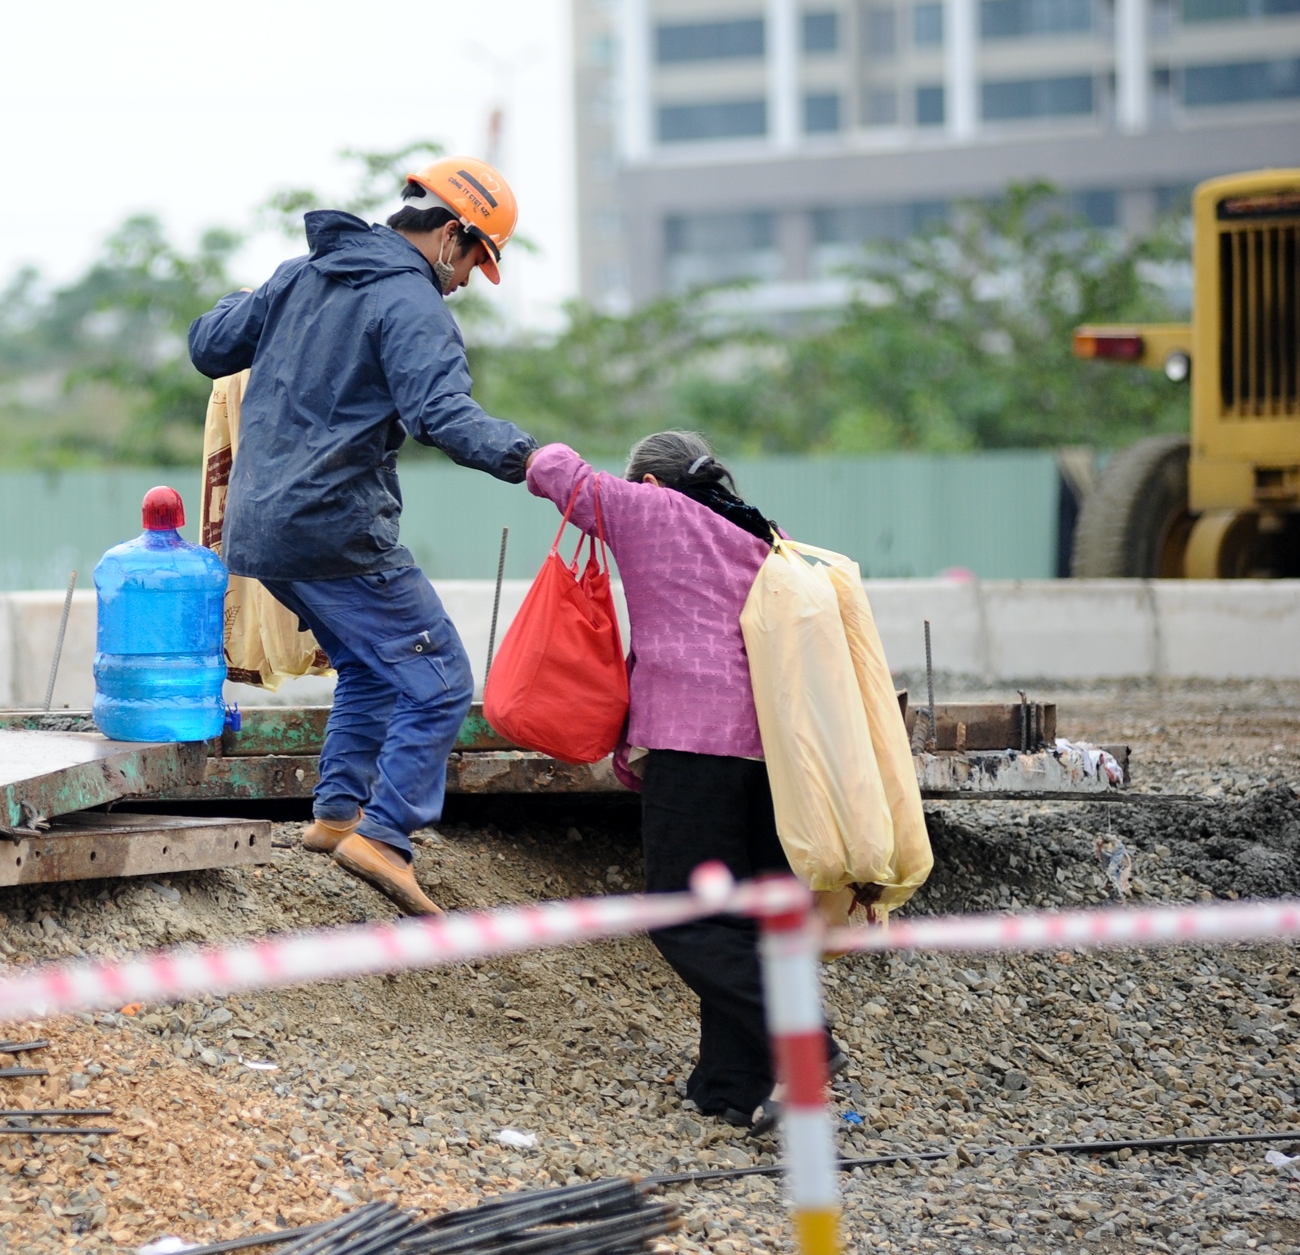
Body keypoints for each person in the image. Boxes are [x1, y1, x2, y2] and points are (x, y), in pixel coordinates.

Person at [187, 157, 536, 917]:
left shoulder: (299, 275)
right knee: (440, 676)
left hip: (261, 529)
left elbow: (211, 346)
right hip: (334, 530)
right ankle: (386, 836)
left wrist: (246, 297)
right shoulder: (411, 304)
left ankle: (336, 814)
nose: (470, 278)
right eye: (476, 258)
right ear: (452, 233)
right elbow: (442, 414)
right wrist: (535, 460)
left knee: (374, 670)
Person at [524, 431, 837, 1132]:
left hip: (693, 739)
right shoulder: (761, 529)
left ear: (653, 484)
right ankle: (729, 1086)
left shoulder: (651, 510)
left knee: (681, 912)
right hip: (772, 749)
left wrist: (515, 441)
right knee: (744, 917)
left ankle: (805, 1038)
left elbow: (553, 471)